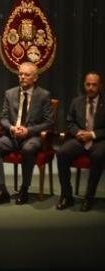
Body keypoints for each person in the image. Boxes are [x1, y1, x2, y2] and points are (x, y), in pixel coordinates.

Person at [0, 61, 53, 206]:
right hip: (13, 135)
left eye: (26, 75)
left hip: (32, 137)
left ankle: (24, 189)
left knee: (28, 149)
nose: (22, 77)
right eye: (20, 74)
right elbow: (3, 117)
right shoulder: (9, 93)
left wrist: (29, 131)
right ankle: (0, 189)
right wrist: (11, 128)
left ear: (35, 78)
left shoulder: (43, 95)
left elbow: (48, 122)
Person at [55, 71, 105, 211]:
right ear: (84, 85)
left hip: (99, 140)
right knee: (62, 153)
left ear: (100, 86)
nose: (90, 88)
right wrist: (77, 132)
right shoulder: (76, 102)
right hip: (80, 139)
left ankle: (89, 197)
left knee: (98, 156)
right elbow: (70, 121)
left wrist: (93, 134)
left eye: (94, 85)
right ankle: (67, 195)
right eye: (88, 84)